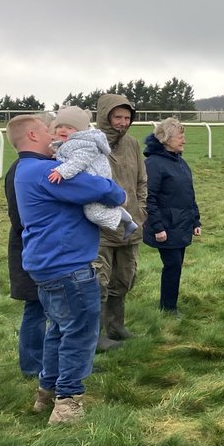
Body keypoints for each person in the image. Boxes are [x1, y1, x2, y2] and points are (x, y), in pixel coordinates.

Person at [7, 113, 126, 423]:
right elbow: (102, 188)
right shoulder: (48, 171)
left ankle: (46, 392)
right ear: (33, 136)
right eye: (48, 132)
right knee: (80, 334)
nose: (55, 137)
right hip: (68, 267)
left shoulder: (24, 170)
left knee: (59, 331)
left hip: (45, 267)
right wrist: (119, 193)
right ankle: (67, 403)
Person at [93, 94, 147, 350]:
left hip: (130, 226)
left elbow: (141, 182)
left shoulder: (133, 145)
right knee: (99, 280)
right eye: (118, 117)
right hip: (101, 228)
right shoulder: (92, 144)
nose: (123, 123)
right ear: (105, 116)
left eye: (127, 118)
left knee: (124, 278)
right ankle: (95, 336)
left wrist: (141, 211)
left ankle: (116, 327)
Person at [47, 105, 138, 239]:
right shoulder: (72, 142)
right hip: (92, 181)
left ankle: (125, 220)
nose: (63, 130)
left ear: (80, 130)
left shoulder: (84, 143)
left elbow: (79, 160)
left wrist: (62, 171)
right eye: (60, 126)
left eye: (69, 127)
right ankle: (123, 218)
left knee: (93, 213)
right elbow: (70, 156)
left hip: (96, 177)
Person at [142, 118, 202, 315]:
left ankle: (169, 305)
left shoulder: (181, 162)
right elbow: (148, 198)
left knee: (176, 265)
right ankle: (168, 308)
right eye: (180, 136)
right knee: (172, 264)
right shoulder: (153, 164)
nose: (184, 141)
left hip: (182, 224)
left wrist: (195, 221)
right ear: (166, 139)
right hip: (166, 226)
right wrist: (157, 227)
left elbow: (188, 194)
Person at [5, 151, 45, 387]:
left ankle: (54, 362)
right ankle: (32, 365)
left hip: (39, 247)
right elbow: (20, 217)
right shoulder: (21, 169)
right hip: (30, 247)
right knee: (36, 307)